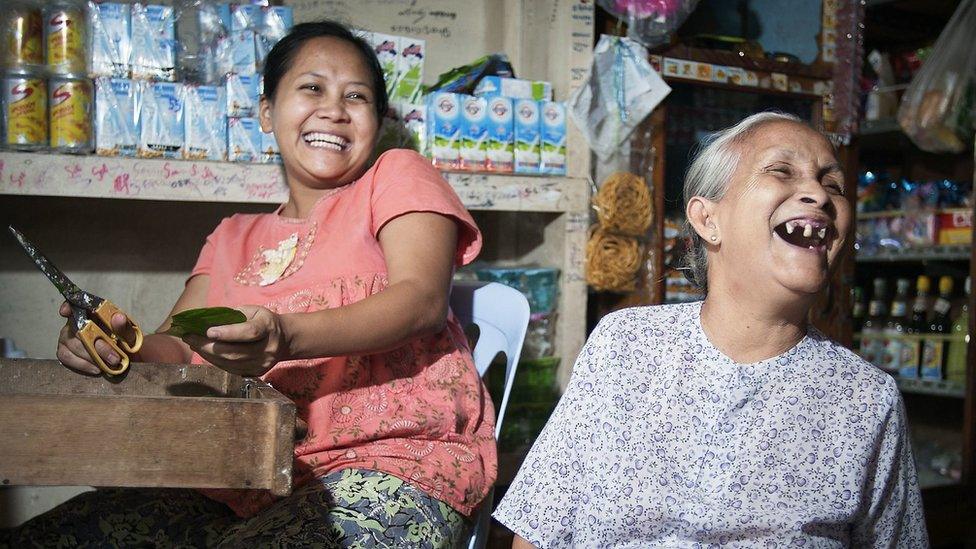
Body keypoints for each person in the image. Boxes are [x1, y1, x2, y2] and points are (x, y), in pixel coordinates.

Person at [2, 20, 495, 548]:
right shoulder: (233, 235)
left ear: (377, 121)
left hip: (394, 467)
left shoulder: (396, 176)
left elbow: (420, 300)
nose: (334, 108)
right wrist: (116, 342)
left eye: (357, 96)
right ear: (266, 112)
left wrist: (285, 335)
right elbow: (177, 348)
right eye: (312, 88)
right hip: (242, 478)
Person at [493, 112, 928, 548]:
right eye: (781, 170)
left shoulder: (866, 400)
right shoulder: (625, 346)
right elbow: (539, 528)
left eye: (833, 185)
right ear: (707, 219)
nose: (818, 193)